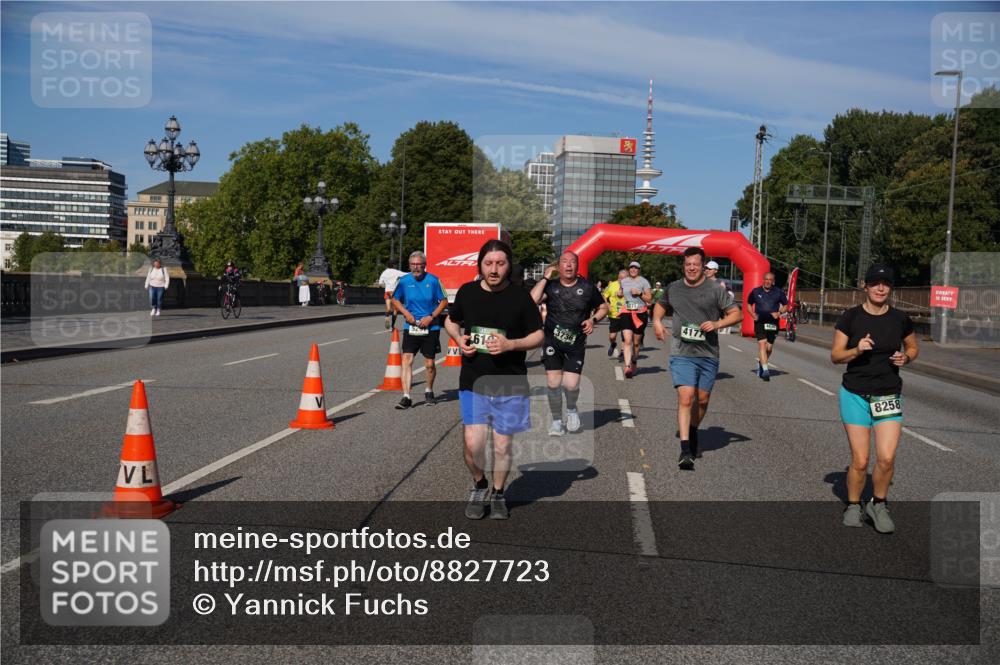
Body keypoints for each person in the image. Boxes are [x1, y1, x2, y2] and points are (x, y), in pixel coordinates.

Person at [445, 239, 543, 520]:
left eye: (500, 263)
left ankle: (499, 492)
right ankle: (479, 484)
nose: (494, 269)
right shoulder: (467, 292)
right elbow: (452, 320)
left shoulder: (520, 297)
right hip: (474, 380)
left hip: (510, 381)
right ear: (480, 265)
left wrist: (511, 345)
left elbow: (538, 335)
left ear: (508, 266)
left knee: (502, 445)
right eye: (488, 263)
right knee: (473, 447)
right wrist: (458, 337)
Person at [832, 265, 918, 534]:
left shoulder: (900, 319)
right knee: (860, 460)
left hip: (888, 395)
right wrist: (857, 349)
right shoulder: (851, 318)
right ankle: (854, 504)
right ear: (865, 286)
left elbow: (913, 347)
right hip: (855, 394)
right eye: (875, 283)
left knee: (886, 459)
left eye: (886, 283)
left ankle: (879, 504)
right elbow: (836, 356)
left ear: (891, 288)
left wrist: (907, 357)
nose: (880, 288)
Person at [652, 247, 742, 470]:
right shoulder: (674, 287)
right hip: (682, 352)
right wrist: (656, 322)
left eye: (695, 264)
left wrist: (717, 324)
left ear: (703, 266)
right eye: (687, 264)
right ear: (684, 265)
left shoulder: (714, 289)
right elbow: (660, 306)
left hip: (708, 353)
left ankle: (693, 430)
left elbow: (736, 314)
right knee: (686, 397)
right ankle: (685, 450)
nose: (691, 268)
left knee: (702, 400)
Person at [530, 251, 609, 436]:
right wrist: (544, 278)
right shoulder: (550, 286)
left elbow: (604, 307)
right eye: (564, 262)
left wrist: (593, 320)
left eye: (572, 262)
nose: (568, 265)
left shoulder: (588, 287)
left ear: (577, 265)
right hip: (552, 342)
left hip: (576, 343)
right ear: (558, 266)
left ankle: (572, 410)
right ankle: (557, 421)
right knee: (553, 383)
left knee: (571, 385)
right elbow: (531, 300)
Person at [392, 251, 448, 408]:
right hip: (411, 326)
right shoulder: (403, 281)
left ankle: (429, 391)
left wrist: (431, 316)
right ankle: (406, 396)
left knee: (429, 363)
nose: (416, 268)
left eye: (419, 265)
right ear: (409, 265)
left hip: (431, 326)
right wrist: (406, 313)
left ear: (424, 265)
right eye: (413, 265)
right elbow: (395, 300)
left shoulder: (434, 280)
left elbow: (443, 302)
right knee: (406, 360)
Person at [747, 272, 788, 381]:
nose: (768, 281)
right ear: (763, 280)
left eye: (770, 280)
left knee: (769, 348)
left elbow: (786, 305)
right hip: (760, 322)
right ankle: (765, 370)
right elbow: (748, 304)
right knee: (762, 345)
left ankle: (761, 362)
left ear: (773, 281)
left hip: (773, 323)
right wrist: (752, 314)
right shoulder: (756, 291)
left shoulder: (778, 292)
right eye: (766, 279)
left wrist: (779, 313)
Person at [618, 261, 653, 378]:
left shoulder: (644, 282)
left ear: (639, 270)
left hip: (640, 314)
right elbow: (622, 292)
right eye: (631, 268)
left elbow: (649, 299)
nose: (633, 269)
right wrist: (620, 294)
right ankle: (627, 366)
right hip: (627, 312)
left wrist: (639, 293)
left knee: (636, 343)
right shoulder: (624, 281)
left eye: (636, 268)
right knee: (627, 341)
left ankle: (634, 361)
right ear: (629, 269)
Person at [602, 270, 627, 358]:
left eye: (624, 278)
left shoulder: (630, 286)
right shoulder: (612, 285)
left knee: (625, 335)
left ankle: (623, 351)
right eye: (620, 278)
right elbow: (604, 296)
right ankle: (613, 344)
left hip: (626, 314)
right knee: (612, 336)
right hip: (614, 314)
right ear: (618, 277)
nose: (621, 280)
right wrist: (607, 304)